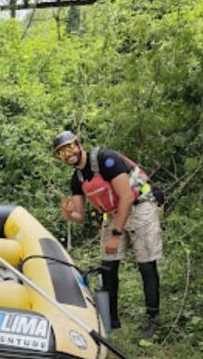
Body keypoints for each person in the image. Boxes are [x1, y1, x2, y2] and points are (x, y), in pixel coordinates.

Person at [54, 130, 162, 341]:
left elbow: (127, 197)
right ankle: (110, 320)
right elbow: (79, 215)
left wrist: (115, 234)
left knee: (146, 265)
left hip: (140, 206)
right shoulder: (77, 179)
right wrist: (67, 214)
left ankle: (152, 321)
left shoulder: (106, 159)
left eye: (68, 148)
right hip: (113, 213)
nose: (67, 155)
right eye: (60, 153)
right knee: (108, 266)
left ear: (78, 144)